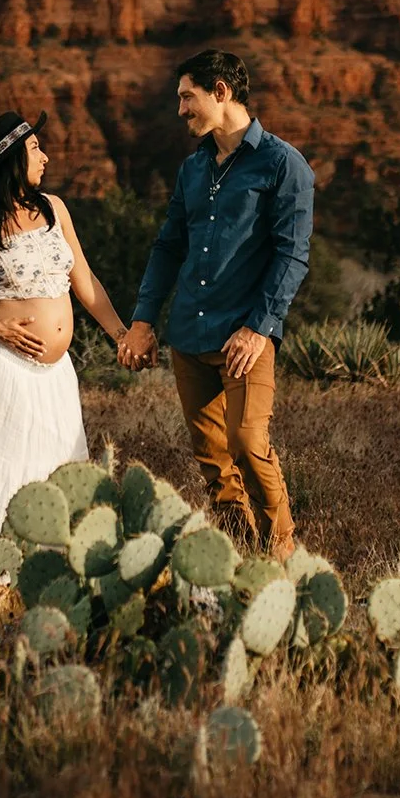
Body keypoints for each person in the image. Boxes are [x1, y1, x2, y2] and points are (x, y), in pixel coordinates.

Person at [119, 50, 315, 561]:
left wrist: (258, 329)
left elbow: (292, 255)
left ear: (221, 91)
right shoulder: (192, 169)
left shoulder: (282, 164)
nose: (181, 109)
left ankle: (281, 557)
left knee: (249, 443)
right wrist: (143, 320)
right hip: (189, 335)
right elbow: (168, 247)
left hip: (244, 337)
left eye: (188, 96)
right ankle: (240, 554)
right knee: (212, 461)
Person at [0, 110, 131, 548]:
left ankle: (49, 567)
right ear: (10, 160)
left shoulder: (54, 208)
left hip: (56, 373)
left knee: (56, 464)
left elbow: (85, 281)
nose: (45, 157)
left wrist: (121, 334)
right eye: (35, 149)